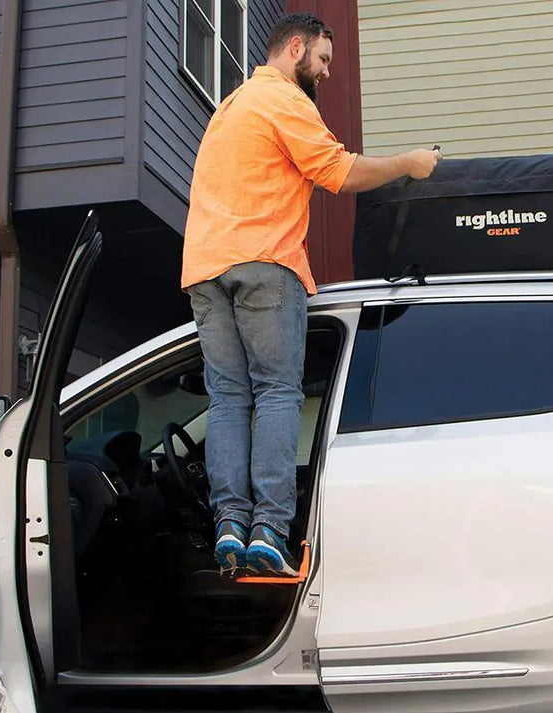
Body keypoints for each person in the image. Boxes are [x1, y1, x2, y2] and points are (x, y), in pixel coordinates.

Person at [181, 12, 441, 576]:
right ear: (293, 47)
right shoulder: (284, 99)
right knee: (276, 392)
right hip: (263, 262)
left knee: (227, 397)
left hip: (204, 266)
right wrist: (409, 164)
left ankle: (230, 522)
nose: (324, 72)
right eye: (321, 59)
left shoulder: (229, 108)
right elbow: (337, 172)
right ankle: (270, 529)